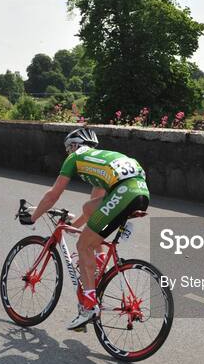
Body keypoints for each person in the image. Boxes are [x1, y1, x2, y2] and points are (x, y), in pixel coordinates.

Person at [25, 127, 149, 330]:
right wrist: (71, 227)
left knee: (83, 245)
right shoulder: (100, 161)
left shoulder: (77, 157)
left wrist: (33, 217)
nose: (68, 153)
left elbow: (53, 194)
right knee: (88, 210)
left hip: (125, 192)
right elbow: (95, 209)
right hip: (141, 193)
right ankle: (99, 263)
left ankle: (89, 307)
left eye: (68, 149)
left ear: (74, 145)